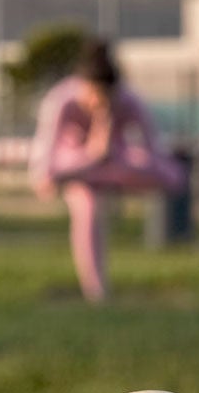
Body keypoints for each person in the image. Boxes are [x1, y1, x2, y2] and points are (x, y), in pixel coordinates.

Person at [28, 39, 185, 302]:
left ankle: (95, 175)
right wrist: (91, 155)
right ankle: (96, 292)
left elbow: (156, 155)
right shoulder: (62, 101)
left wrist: (110, 149)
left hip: (113, 164)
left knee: (174, 176)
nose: (100, 105)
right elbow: (44, 161)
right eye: (94, 97)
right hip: (75, 163)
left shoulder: (128, 100)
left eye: (107, 99)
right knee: (87, 206)